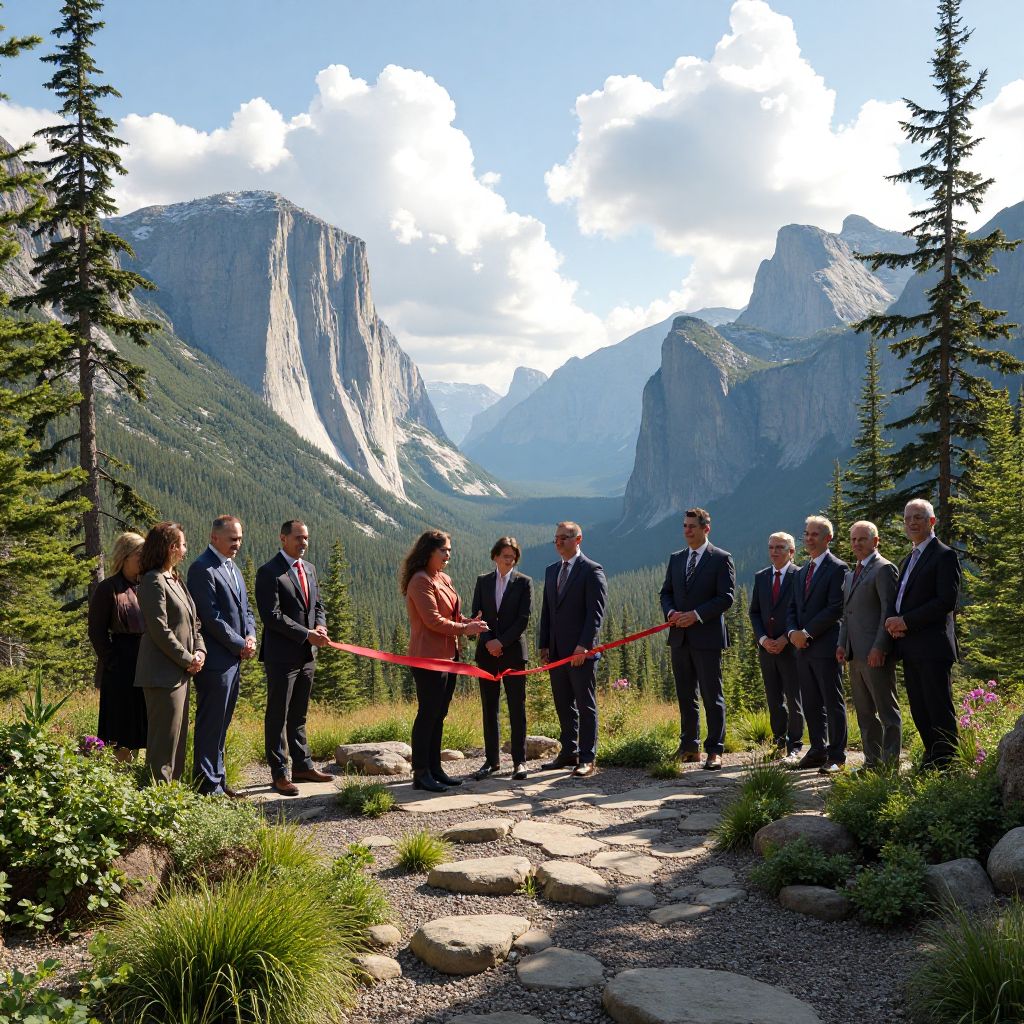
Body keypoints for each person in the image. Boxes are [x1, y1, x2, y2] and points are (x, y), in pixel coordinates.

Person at [402, 529, 488, 792]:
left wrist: (468, 622)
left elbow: (451, 615)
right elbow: (433, 621)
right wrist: (465, 629)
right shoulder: (420, 580)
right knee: (427, 714)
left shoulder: (443, 578)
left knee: (439, 714)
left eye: (450, 550)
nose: (448, 555)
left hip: (449, 656)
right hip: (427, 657)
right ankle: (421, 773)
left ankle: (435, 768)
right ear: (429, 551)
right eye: (443, 550)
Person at [256, 520, 333, 796]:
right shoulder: (269, 572)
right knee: (278, 714)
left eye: (306, 538)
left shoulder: (309, 569)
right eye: (299, 538)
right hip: (281, 656)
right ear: (283, 538)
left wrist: (320, 626)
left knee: (299, 713)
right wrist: (306, 634)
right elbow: (271, 616)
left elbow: (318, 605)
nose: (304, 543)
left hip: (307, 654)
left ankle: (302, 766)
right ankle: (279, 773)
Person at [884, 499, 961, 769]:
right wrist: (895, 624)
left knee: (938, 708)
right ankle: (931, 759)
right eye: (908, 518)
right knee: (919, 708)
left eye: (918, 517)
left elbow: (946, 601)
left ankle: (948, 764)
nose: (912, 522)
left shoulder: (944, 555)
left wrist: (905, 621)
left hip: (933, 647)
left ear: (932, 521)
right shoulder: (908, 559)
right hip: (911, 648)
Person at [659, 507, 735, 771]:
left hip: (707, 638)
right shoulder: (677, 558)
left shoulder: (721, 558)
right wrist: (671, 612)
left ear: (706, 528)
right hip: (679, 638)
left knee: (712, 695)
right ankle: (690, 747)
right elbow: (666, 593)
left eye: (692, 526)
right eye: (684, 526)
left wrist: (696, 615)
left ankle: (715, 750)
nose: (687, 531)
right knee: (685, 694)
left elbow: (726, 598)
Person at [187, 515, 257, 797]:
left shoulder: (232, 567)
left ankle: (218, 780)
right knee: (210, 724)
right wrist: (240, 643)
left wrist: (250, 636)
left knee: (222, 724)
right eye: (232, 539)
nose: (237, 544)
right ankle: (206, 786)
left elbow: (246, 609)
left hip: (233, 659)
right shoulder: (202, 568)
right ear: (214, 538)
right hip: (215, 661)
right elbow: (211, 617)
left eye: (239, 539)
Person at [136, 522, 206, 783]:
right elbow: (159, 629)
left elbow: (194, 622)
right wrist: (187, 659)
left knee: (177, 740)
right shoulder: (153, 580)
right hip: (162, 674)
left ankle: (172, 795)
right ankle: (157, 797)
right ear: (171, 547)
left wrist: (200, 650)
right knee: (163, 744)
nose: (186, 550)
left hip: (180, 672)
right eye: (183, 544)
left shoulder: (175, 578)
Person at [537, 521, 607, 778]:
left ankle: (587, 758)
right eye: (556, 538)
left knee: (585, 705)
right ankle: (569, 752)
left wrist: (583, 646)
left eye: (564, 538)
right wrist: (544, 644)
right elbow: (547, 610)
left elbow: (595, 615)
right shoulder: (551, 570)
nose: (558, 542)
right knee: (563, 705)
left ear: (578, 540)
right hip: (556, 652)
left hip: (581, 653)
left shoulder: (592, 570)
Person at [786, 515, 848, 774]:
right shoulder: (801, 572)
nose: (809, 539)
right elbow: (792, 607)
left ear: (827, 538)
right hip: (803, 649)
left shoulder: (838, 568)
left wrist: (807, 632)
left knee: (832, 702)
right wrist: (792, 632)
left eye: (815, 534)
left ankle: (836, 755)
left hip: (826, 646)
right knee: (810, 701)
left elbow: (835, 607)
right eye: (807, 534)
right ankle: (817, 750)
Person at [837, 521, 900, 769]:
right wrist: (842, 645)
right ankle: (871, 764)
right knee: (864, 714)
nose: (856, 544)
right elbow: (847, 614)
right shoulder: (851, 574)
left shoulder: (884, 569)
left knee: (887, 713)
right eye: (853, 539)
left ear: (875, 541)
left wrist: (880, 647)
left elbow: (888, 610)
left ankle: (890, 766)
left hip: (875, 654)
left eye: (862, 539)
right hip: (855, 655)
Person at [470, 536, 532, 781]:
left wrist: (501, 643)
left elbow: (523, 619)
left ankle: (520, 761)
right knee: (489, 708)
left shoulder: (524, 582)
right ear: (495, 556)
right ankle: (491, 761)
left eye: (513, 557)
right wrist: (488, 642)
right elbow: (477, 615)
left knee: (517, 707)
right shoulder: (483, 581)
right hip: (487, 655)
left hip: (514, 654)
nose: (510, 560)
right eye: (505, 556)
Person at [88, 531, 147, 762]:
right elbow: (96, 632)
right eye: (139, 554)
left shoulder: (148, 586)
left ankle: (136, 773)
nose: (144, 559)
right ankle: (119, 773)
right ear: (125, 556)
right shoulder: (108, 588)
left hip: (146, 662)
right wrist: (112, 661)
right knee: (121, 726)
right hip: (120, 666)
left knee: (141, 722)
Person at [748, 531, 803, 764]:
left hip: (790, 648)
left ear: (791, 551)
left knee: (794, 697)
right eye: (771, 547)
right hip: (766, 649)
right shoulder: (761, 577)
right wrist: (763, 640)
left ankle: (795, 745)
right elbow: (755, 612)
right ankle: (779, 742)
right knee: (774, 698)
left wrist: (784, 639)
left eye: (779, 547)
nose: (774, 552)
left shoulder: (799, 575)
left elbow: (802, 612)